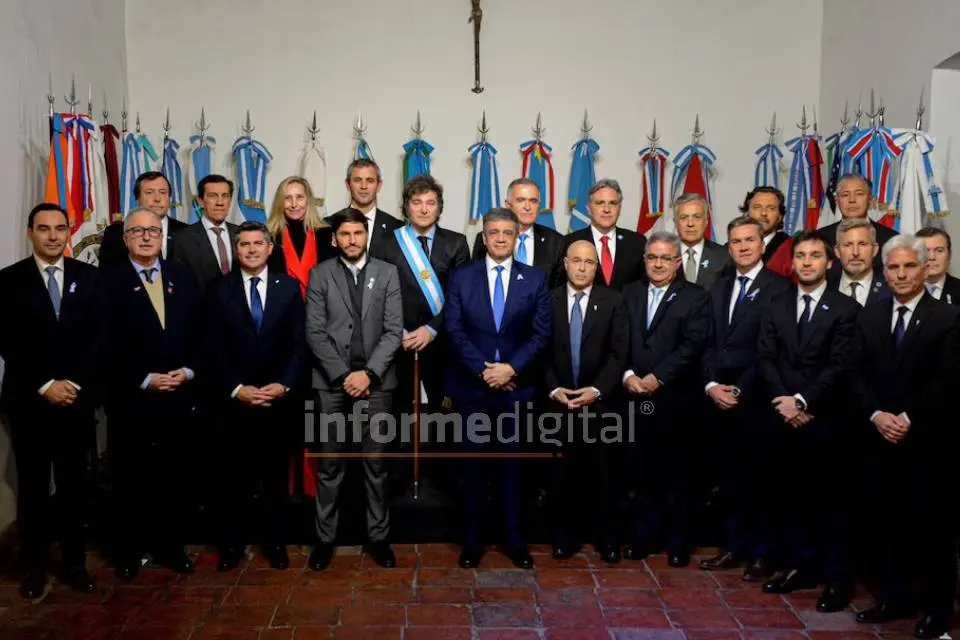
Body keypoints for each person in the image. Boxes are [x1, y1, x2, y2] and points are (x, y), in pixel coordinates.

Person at [851, 234, 960, 639]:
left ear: (925, 268)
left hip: (927, 443)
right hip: (878, 439)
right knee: (886, 525)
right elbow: (855, 372)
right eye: (893, 267)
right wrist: (877, 415)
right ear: (884, 272)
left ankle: (937, 610)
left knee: (932, 531)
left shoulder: (948, 317)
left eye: (909, 266)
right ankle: (893, 599)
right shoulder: (870, 315)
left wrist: (908, 418)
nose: (900, 274)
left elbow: (948, 381)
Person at [0, 203, 102, 598]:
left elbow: (99, 338)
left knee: (75, 488)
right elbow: (8, 341)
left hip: (76, 400)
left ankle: (75, 565)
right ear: (31, 232)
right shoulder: (8, 280)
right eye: (44, 228)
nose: (53, 236)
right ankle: (34, 568)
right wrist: (45, 384)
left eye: (60, 228)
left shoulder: (89, 277)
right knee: (33, 489)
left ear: (69, 232)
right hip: (30, 402)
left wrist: (73, 382)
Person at [756, 231, 860, 614]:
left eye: (815, 255)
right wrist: (785, 402)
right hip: (782, 418)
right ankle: (802, 567)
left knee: (831, 504)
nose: (807, 262)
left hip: (824, 420)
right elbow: (765, 357)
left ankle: (836, 580)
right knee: (791, 498)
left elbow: (841, 364)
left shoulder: (846, 308)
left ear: (829, 263)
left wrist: (803, 401)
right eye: (801, 255)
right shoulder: (776, 304)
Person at [444, 208, 551, 570]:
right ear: (484, 237)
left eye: (508, 232)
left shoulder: (534, 278)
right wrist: (483, 370)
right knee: (473, 470)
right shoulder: (462, 277)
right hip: (473, 390)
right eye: (494, 232)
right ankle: (472, 541)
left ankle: (514, 540)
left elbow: (541, 334)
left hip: (515, 390)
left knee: (513, 471)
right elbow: (453, 330)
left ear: (517, 237)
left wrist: (511, 369)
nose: (501, 238)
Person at [100, 207, 202, 579]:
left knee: (174, 477)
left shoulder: (182, 275)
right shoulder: (107, 281)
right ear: (125, 238)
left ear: (162, 237)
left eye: (153, 231)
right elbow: (102, 344)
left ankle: (171, 546)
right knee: (131, 477)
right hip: (132, 398)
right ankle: (129, 550)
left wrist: (188, 371)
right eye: (138, 231)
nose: (146, 237)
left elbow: (200, 330)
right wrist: (144, 378)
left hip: (178, 395)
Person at [305, 209, 403, 571]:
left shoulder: (387, 273)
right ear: (334, 239)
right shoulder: (320, 274)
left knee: (375, 464)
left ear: (366, 236)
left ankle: (378, 538)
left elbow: (394, 331)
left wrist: (369, 374)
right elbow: (314, 332)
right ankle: (324, 540)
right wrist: (344, 375)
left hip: (377, 384)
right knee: (330, 464)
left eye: (357, 233)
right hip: (332, 383)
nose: (351, 240)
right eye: (344, 234)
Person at [206, 221, 306, 571]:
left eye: (257, 243)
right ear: (236, 250)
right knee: (234, 479)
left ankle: (276, 543)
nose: (251, 249)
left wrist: (284, 384)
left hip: (277, 401)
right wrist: (237, 389)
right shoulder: (219, 289)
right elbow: (213, 347)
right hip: (235, 402)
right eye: (244, 244)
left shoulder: (289, 288)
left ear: (269, 248)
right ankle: (232, 546)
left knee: (275, 479)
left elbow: (299, 344)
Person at [698, 216, 790, 581]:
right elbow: (707, 342)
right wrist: (711, 384)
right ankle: (734, 546)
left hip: (756, 400)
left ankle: (763, 554)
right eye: (735, 241)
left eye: (749, 240)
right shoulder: (719, 286)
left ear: (762, 244)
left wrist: (739, 389)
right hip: (718, 400)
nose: (743, 247)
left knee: (762, 481)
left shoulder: (779, 288)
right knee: (730, 479)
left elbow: (772, 349)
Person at [621, 231, 710, 568]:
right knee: (641, 474)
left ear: (677, 262)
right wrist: (628, 375)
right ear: (645, 260)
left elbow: (692, 345)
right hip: (634, 398)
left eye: (665, 258)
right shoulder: (629, 292)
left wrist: (657, 377)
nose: (658, 264)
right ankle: (644, 538)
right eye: (652, 257)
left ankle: (677, 543)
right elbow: (620, 339)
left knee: (677, 476)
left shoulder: (695, 296)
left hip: (675, 400)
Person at [544, 240, 628, 564]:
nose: (581, 267)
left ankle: (608, 540)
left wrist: (597, 390)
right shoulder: (548, 300)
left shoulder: (614, 301)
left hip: (600, 405)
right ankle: (565, 538)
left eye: (589, 262)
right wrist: (554, 389)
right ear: (565, 263)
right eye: (576, 261)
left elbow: (619, 353)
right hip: (559, 403)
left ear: (597, 267)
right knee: (562, 476)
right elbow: (540, 350)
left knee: (604, 476)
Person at [471, 177, 565, 288]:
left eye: (533, 201)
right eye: (521, 200)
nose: (527, 207)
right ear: (508, 205)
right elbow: (476, 281)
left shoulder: (556, 241)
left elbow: (557, 289)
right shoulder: (488, 238)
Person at [565, 179, 647, 291]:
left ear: (619, 209)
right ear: (589, 209)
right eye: (600, 203)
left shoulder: (637, 242)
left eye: (612, 203)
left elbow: (643, 287)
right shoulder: (570, 242)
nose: (606, 209)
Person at [266, 176, 337, 299]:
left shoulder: (325, 234)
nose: (294, 204)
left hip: (320, 304)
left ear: (308, 200)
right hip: (283, 304)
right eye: (288, 198)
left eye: (299, 197)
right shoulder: (270, 236)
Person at [99, 171, 187, 266]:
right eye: (149, 192)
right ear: (137, 199)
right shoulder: (116, 233)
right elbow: (107, 272)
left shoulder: (186, 232)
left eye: (162, 192)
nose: (157, 199)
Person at [820, 173, 897, 275]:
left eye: (859, 194)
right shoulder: (820, 238)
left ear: (870, 199)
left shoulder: (892, 239)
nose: (852, 200)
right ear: (837, 201)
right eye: (845, 195)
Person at [173, 174, 239, 292]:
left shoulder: (241, 234)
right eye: (213, 196)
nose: (220, 202)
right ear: (201, 201)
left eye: (225, 196)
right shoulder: (182, 239)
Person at [325, 158, 401, 255]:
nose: (364, 186)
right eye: (357, 180)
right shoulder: (327, 225)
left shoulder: (396, 228)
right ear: (348, 184)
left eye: (370, 181)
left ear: (379, 185)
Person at [827, 217, 890, 306]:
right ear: (837, 251)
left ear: (875, 250)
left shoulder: (891, 289)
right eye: (848, 245)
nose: (855, 252)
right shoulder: (825, 288)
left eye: (862, 244)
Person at [673, 193, 729, 291]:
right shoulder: (664, 256)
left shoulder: (723, 255)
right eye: (684, 217)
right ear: (675, 222)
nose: (690, 223)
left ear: (706, 221)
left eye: (697, 217)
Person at [916, 226, 960, 305]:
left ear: (949, 255)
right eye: (925, 251)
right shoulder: (901, 291)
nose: (932, 257)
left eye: (939, 250)